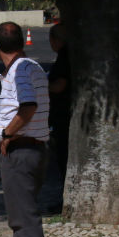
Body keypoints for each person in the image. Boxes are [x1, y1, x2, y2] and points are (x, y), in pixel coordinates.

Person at [0, 21, 50, 237]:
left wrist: (6, 133)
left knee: (24, 218)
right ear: (23, 42)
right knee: (20, 217)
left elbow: (28, 106)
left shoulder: (19, 71)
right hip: (35, 147)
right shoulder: (34, 67)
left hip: (21, 150)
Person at [48, 23, 71, 185]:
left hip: (63, 113)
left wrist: (41, 84)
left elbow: (60, 86)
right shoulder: (67, 55)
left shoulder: (65, 57)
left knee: (63, 155)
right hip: (62, 112)